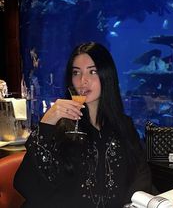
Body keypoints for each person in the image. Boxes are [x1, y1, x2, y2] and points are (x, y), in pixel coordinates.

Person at [14, 42, 152, 208]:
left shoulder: (123, 125)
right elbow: (26, 184)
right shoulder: (59, 126)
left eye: (92, 71)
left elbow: (140, 175)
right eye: (76, 73)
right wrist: (46, 125)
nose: (82, 81)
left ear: (106, 75)